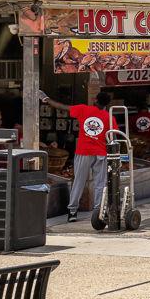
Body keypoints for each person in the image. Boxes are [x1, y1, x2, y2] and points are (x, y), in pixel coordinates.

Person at [43, 88, 116, 222]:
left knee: (79, 181)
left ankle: (72, 212)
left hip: (83, 151)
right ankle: (98, 211)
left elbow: (63, 107)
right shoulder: (110, 117)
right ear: (107, 104)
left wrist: (46, 100)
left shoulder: (84, 109)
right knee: (100, 183)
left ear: (95, 100)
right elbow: (112, 138)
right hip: (101, 153)